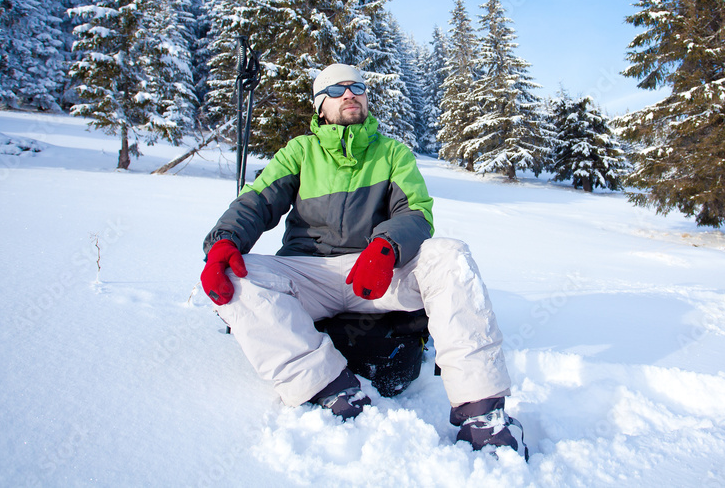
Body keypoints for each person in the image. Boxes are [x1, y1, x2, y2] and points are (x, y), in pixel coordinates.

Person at [200, 63, 526, 458]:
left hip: (375, 274)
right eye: (336, 90)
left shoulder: (392, 153)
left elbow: (416, 213)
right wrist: (225, 241)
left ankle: (481, 414)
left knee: (450, 254)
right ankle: (328, 387)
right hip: (310, 273)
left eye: (356, 86)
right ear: (321, 106)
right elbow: (256, 202)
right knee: (237, 279)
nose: (349, 94)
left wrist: (385, 247)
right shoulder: (299, 153)